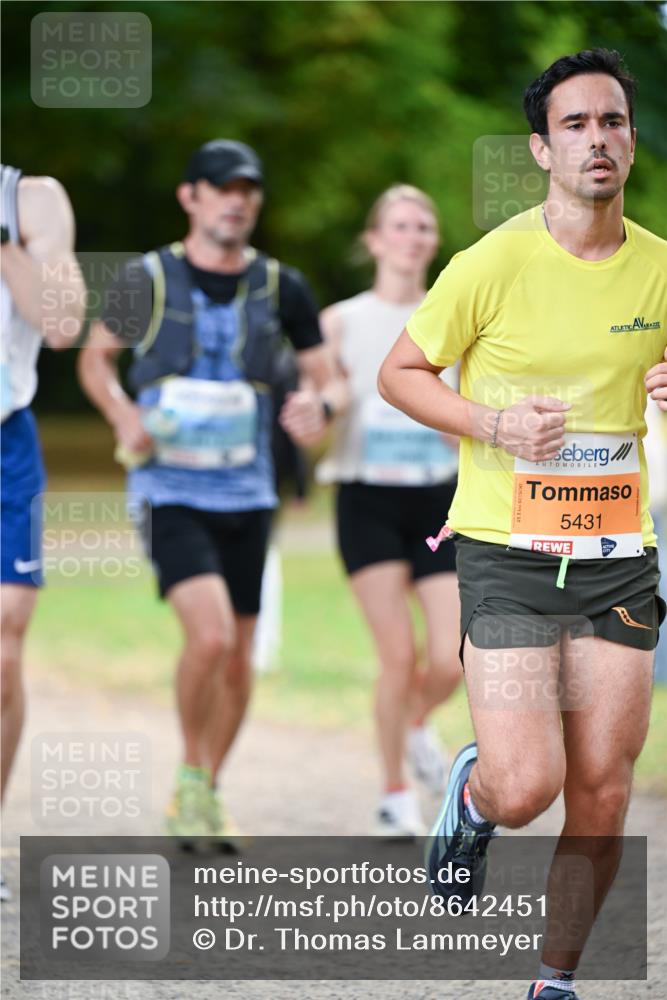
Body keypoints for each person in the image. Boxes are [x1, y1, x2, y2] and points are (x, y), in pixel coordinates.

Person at [379, 50, 666, 1000]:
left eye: (613, 122)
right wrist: (493, 423)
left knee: (602, 789)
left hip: (618, 556)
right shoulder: (492, 261)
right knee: (526, 785)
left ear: (632, 140)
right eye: (576, 125)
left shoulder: (661, 269)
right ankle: (472, 799)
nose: (598, 139)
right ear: (542, 149)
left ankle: (554, 982)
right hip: (504, 554)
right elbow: (401, 374)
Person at [77, 140, 344, 841]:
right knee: (211, 635)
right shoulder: (149, 279)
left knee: (240, 651)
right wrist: (122, 414)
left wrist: (319, 404)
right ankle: (193, 773)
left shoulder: (282, 286)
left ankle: (206, 788)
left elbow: (329, 376)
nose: (237, 202)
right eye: (222, 189)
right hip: (170, 488)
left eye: (248, 191)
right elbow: (95, 359)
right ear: (189, 197)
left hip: (249, 492)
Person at [316, 185, 461, 837]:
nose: (411, 236)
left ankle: (413, 723)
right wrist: (325, 408)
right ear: (374, 240)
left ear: (433, 241)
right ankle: (394, 793)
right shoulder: (340, 321)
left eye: (422, 226)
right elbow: (317, 417)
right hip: (366, 498)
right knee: (397, 657)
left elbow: (467, 415)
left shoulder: (454, 313)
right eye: (398, 225)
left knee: (452, 656)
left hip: (439, 499)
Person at [1, 165, 85, 899]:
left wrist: (4, 239)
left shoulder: (31, 199)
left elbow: (61, 326)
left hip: (6, 444)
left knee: (3, 644)